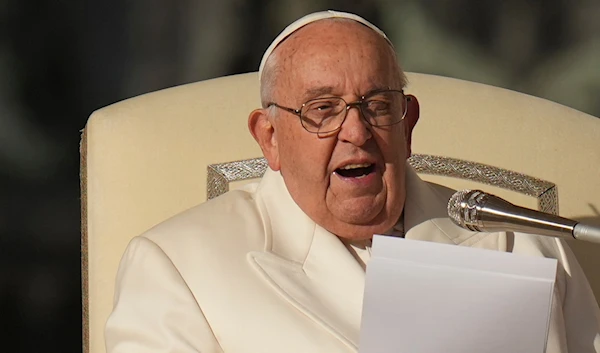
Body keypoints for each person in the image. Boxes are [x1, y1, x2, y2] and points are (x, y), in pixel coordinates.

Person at [105, 10, 600, 353]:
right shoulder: (177, 266)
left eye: (378, 106)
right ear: (270, 137)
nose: (357, 132)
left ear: (407, 124)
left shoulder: (519, 243)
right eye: (323, 110)